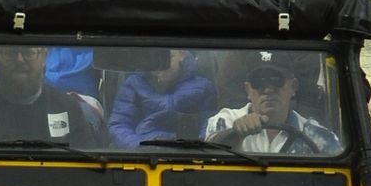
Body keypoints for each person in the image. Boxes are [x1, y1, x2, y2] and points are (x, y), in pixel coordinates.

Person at [0, 41, 104, 152]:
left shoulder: (68, 108)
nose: (20, 60)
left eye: (28, 52)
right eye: (10, 53)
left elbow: (81, 169)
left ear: (44, 56)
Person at [205, 62, 340, 156]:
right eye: (259, 81)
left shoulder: (318, 136)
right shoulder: (225, 121)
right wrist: (236, 134)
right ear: (248, 89)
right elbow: (208, 159)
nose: (268, 90)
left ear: (293, 86)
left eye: (276, 80)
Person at [108, 48, 217, 147]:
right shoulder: (133, 84)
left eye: (167, 58)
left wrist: (198, 146)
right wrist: (139, 146)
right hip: (145, 151)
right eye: (154, 58)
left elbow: (209, 125)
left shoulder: (204, 87)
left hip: (188, 151)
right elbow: (119, 124)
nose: (160, 65)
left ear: (182, 54)